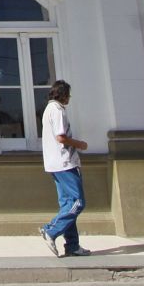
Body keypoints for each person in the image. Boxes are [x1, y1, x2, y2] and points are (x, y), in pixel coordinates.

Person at [38, 80, 91, 257]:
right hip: (65, 162)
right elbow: (61, 137)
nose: (69, 97)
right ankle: (51, 230)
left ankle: (73, 245)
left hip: (54, 163)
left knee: (67, 205)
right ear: (62, 94)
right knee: (77, 202)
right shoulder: (58, 110)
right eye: (68, 94)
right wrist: (80, 144)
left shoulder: (48, 110)